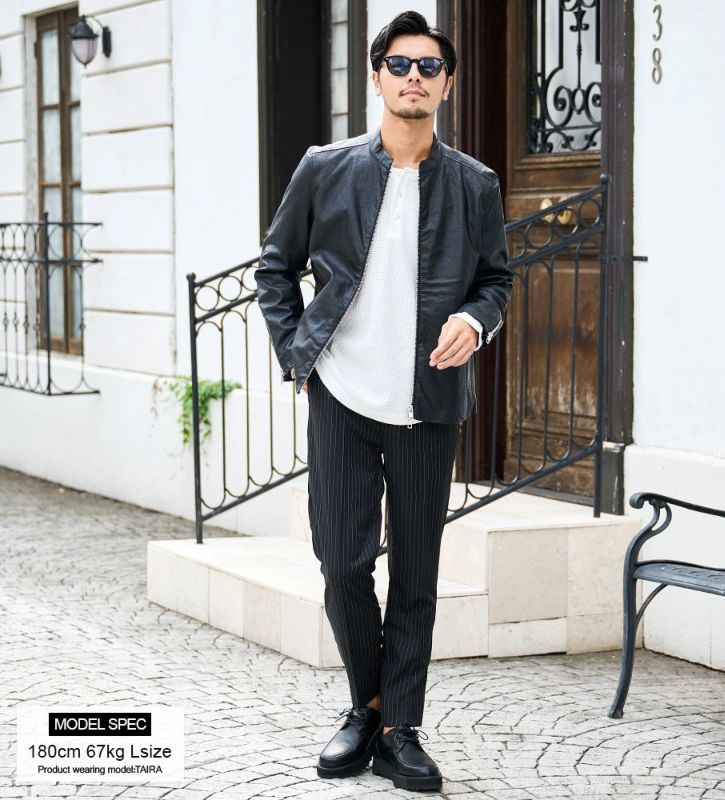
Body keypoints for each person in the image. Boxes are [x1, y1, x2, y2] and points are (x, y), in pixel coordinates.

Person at [254, 10, 513, 792]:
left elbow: (495, 279)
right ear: (376, 79)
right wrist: (298, 355)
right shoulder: (325, 169)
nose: (413, 78)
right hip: (343, 395)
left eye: (429, 67)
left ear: (447, 84)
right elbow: (275, 269)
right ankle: (366, 705)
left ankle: (400, 728)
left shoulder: (474, 184)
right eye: (399, 65)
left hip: (428, 403)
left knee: (418, 576)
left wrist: (475, 320)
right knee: (342, 564)